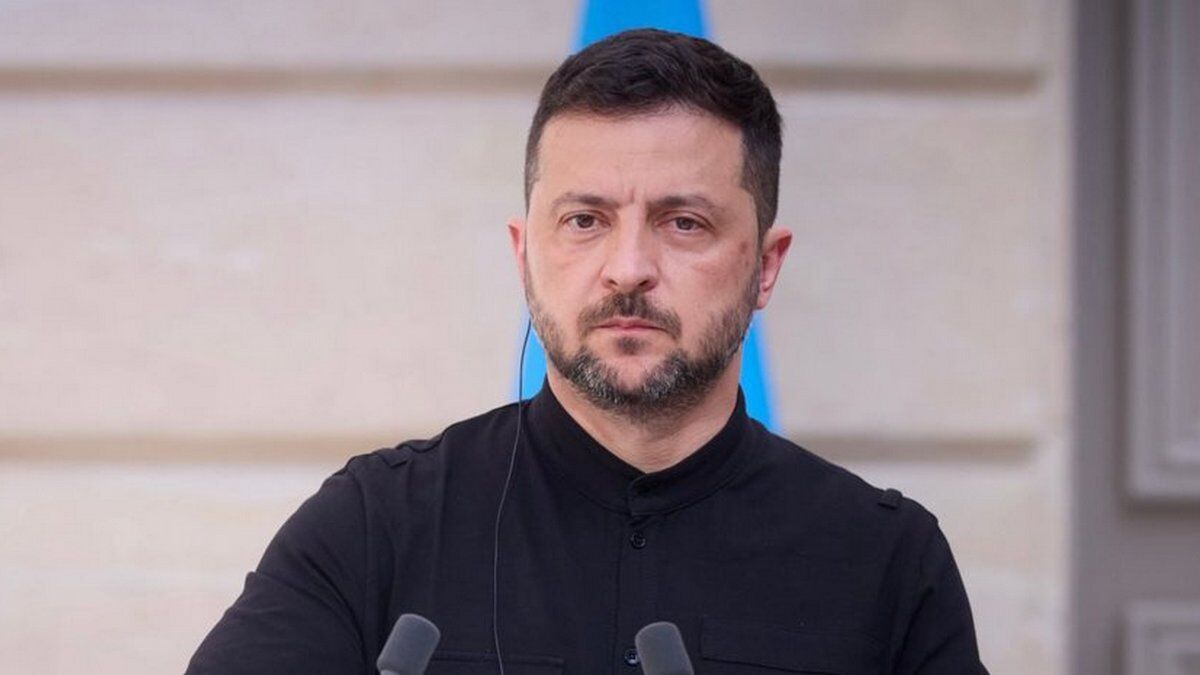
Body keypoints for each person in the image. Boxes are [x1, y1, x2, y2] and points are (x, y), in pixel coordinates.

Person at [187, 28, 987, 674]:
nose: (628, 267)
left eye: (684, 222)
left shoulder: (886, 560)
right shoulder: (376, 525)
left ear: (765, 266)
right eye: (584, 220)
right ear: (523, 254)